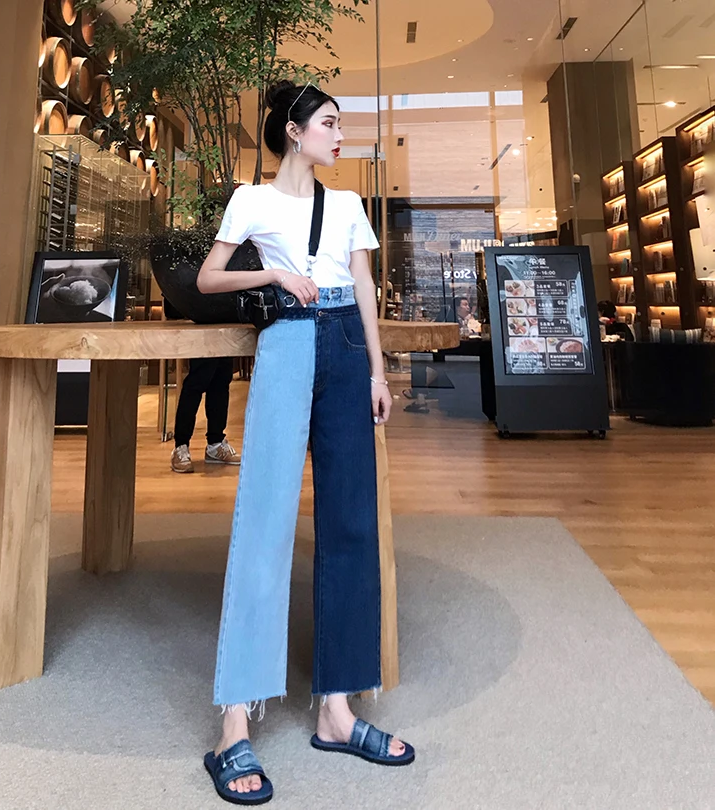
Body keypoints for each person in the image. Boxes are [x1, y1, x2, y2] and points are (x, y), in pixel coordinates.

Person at [196, 80, 414, 805]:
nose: (339, 135)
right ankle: (233, 723)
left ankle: (337, 711)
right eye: (328, 123)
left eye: (339, 124)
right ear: (294, 131)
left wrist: (379, 371)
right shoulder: (251, 200)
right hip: (287, 342)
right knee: (264, 520)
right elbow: (208, 277)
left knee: (351, 522)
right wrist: (275, 273)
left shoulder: (347, 204)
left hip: (347, 348)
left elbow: (364, 287)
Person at [163, 299, 241, 473]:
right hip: (203, 309)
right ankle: (181, 446)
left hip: (225, 311)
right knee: (199, 379)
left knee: (221, 379)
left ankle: (216, 443)